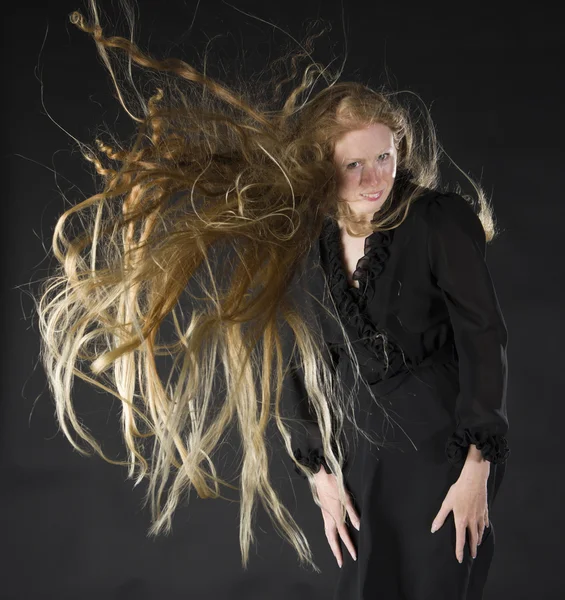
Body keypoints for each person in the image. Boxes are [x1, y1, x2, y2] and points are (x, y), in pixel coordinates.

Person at [35, 2, 509, 598]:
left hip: (445, 450)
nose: (373, 177)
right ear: (323, 167)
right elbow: (293, 354)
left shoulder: (439, 222)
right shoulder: (308, 240)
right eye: (354, 162)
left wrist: (477, 468)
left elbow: (483, 336)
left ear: (400, 149)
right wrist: (319, 472)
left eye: (384, 157)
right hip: (362, 457)